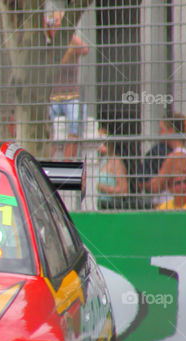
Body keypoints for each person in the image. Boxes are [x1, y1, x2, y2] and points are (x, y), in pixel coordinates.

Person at [46, 11, 88, 159]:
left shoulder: (72, 45)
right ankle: (48, 163)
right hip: (51, 98)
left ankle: (68, 162)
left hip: (71, 96)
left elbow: (85, 49)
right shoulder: (47, 44)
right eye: (53, 23)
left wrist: (67, 33)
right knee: (46, 128)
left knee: (75, 123)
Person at [95, 126, 132, 210]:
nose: (99, 146)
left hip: (111, 206)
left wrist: (104, 188)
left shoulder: (115, 161)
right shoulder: (101, 161)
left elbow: (124, 190)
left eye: (102, 143)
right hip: (99, 206)